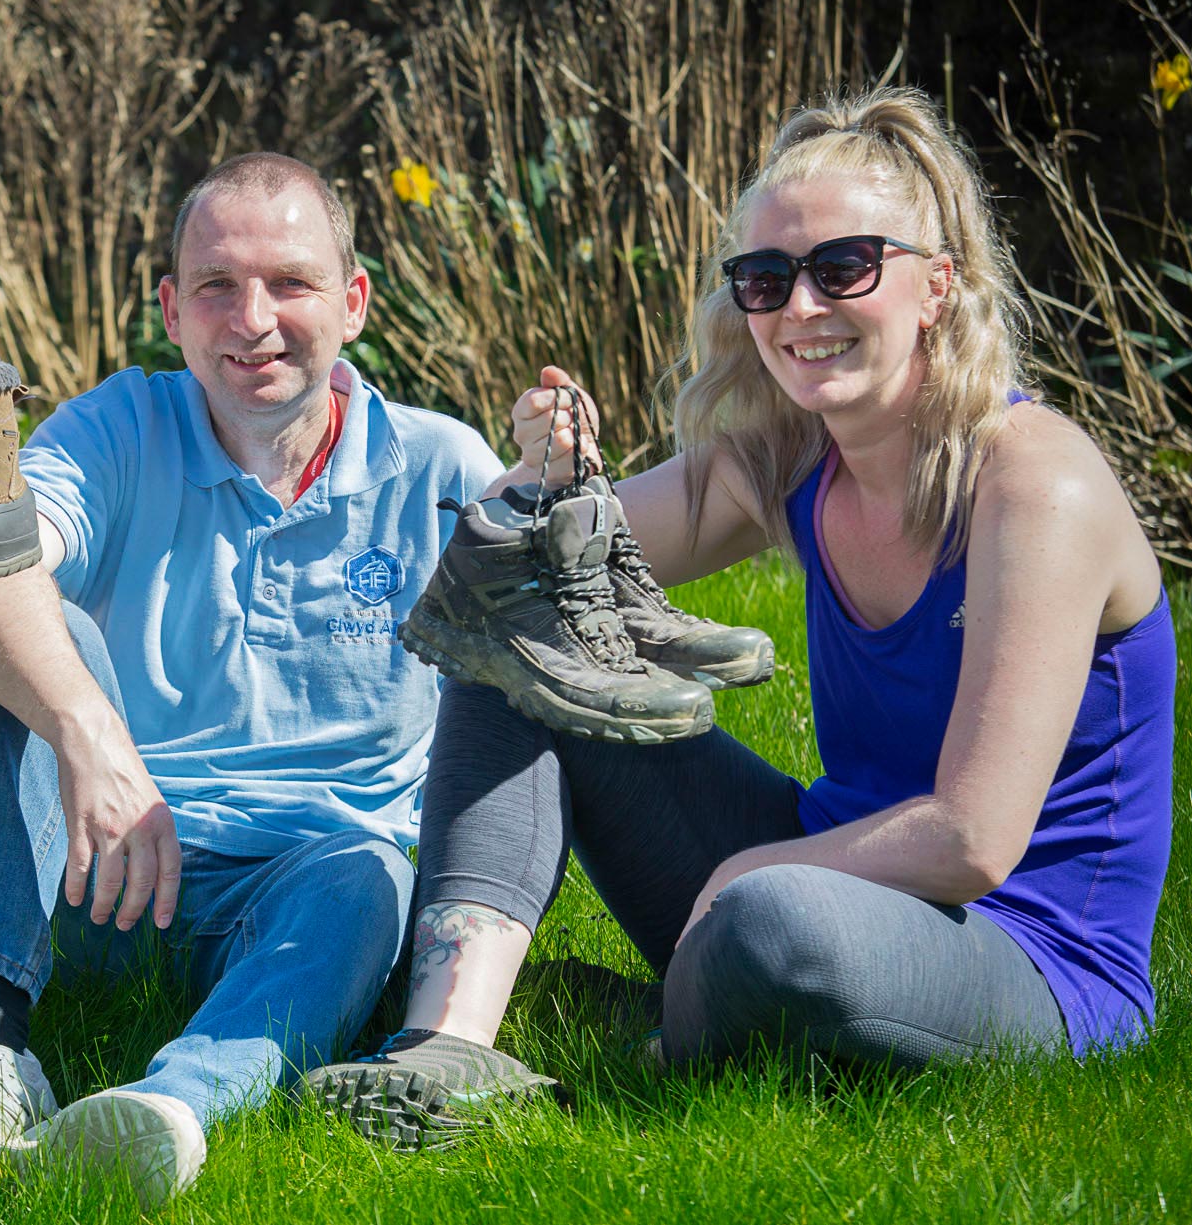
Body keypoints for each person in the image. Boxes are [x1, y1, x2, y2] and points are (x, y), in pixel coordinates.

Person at [301, 86, 1176, 1148]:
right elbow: (519, 575)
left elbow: (972, 840)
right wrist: (542, 478)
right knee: (520, 641)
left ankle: (650, 1029)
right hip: (826, 871)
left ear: (936, 285)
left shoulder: (1035, 486)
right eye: (766, 281)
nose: (800, 307)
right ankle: (448, 1049)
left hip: (1028, 956)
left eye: (842, 267)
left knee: (775, 921)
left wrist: (741, 871)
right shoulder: (791, 456)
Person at [0, 153, 504, 1208]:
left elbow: (555, 654)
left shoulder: (438, 470)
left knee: (367, 875)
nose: (251, 318)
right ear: (171, 309)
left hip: (312, 897)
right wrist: (88, 735)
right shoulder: (119, 428)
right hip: (105, 870)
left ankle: (168, 1111)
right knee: (33, 614)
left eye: (290, 283)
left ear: (352, 302)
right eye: (215, 285)